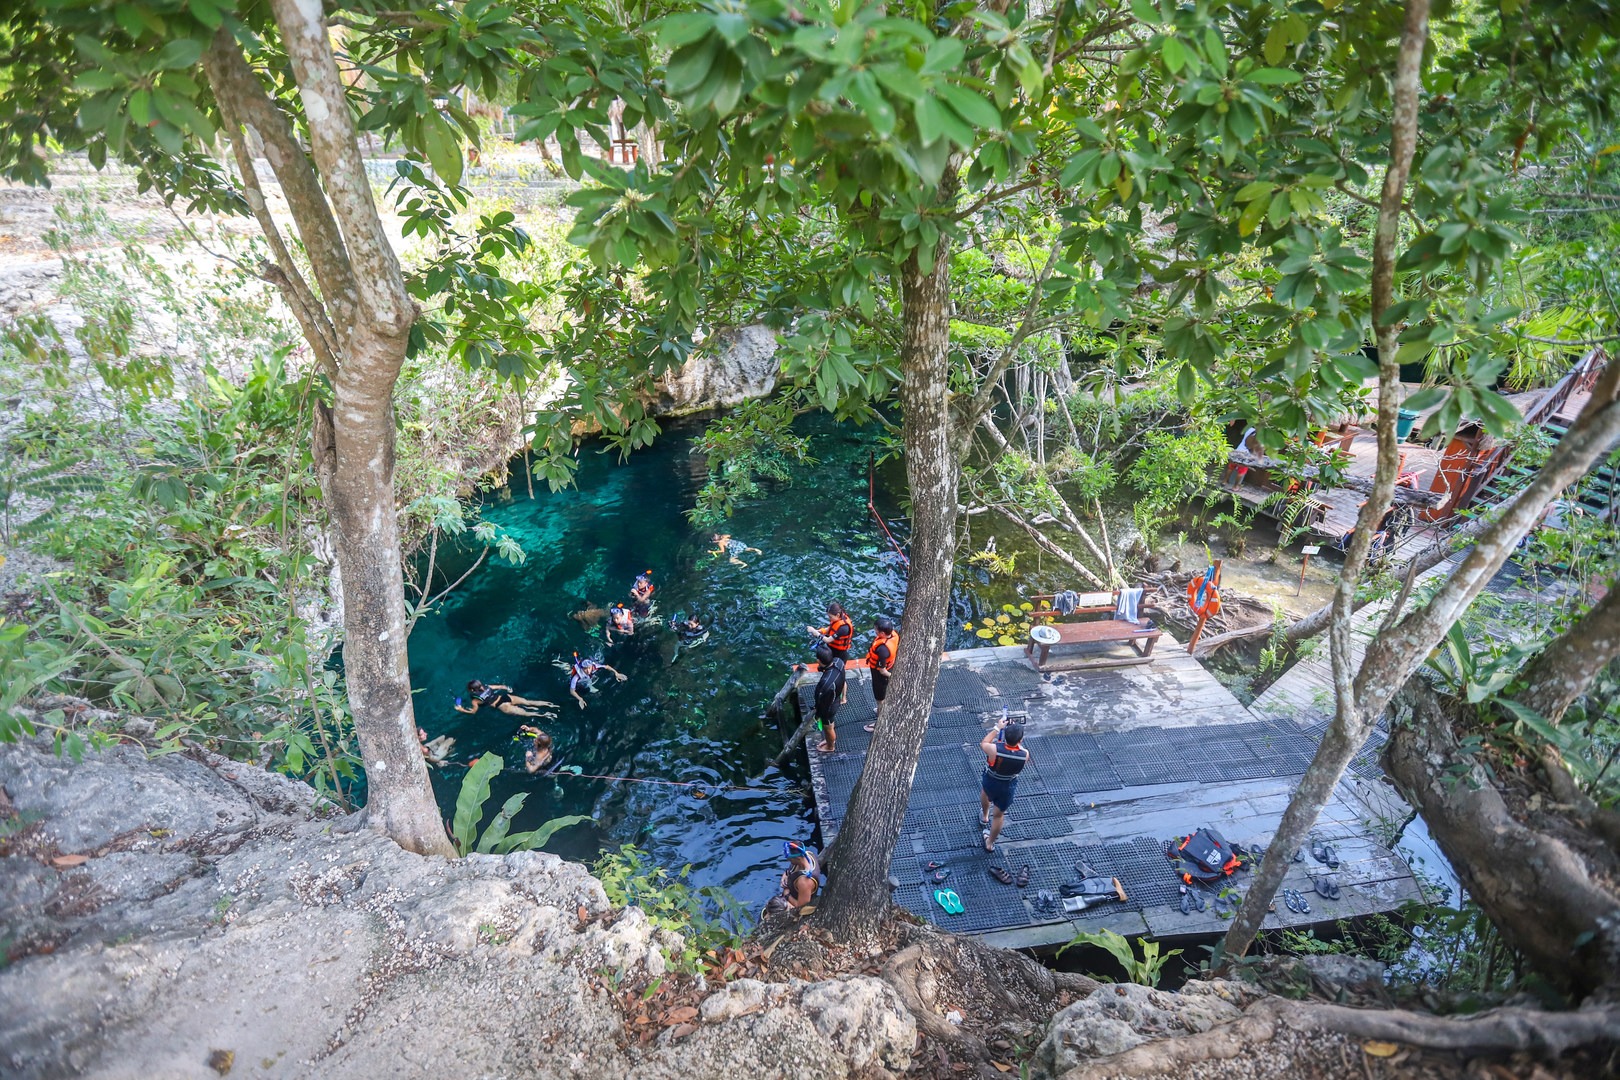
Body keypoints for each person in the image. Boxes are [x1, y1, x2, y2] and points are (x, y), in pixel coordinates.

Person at [979, 716, 1030, 853]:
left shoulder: (994, 749)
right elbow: (1017, 749)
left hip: (991, 780)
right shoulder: (1024, 754)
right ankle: (989, 843)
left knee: (985, 793)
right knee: (999, 815)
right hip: (1007, 786)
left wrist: (998, 728)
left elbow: (984, 743)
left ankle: (984, 816)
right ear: (1020, 740)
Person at [861, 615, 899, 733]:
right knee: (882, 698)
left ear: (882, 633)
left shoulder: (882, 649)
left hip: (881, 676)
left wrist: (893, 678)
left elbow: (882, 670)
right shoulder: (893, 634)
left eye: (876, 630)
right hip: (890, 666)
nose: (874, 631)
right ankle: (881, 710)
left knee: (880, 699)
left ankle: (880, 722)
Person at [764, 841, 820, 914]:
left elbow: (802, 908)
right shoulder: (807, 854)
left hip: (794, 901)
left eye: (790, 859)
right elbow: (792, 868)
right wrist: (785, 875)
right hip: (790, 889)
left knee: (773, 909)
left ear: (797, 858)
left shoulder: (804, 882)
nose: (788, 860)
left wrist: (787, 894)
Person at [455, 680, 556, 717]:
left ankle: (545, 715)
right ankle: (550, 704)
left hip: (502, 706)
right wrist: (509, 689)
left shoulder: (475, 700)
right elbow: (502, 687)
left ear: (472, 690)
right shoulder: (487, 686)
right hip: (506, 697)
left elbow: (473, 712)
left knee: (526, 713)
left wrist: (462, 710)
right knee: (529, 702)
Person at [812, 644, 845, 753]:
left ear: (818, 660)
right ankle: (830, 740)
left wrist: (818, 715)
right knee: (830, 723)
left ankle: (830, 747)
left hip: (830, 706)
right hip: (837, 696)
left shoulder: (825, 684)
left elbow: (822, 703)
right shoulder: (839, 662)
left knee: (828, 727)